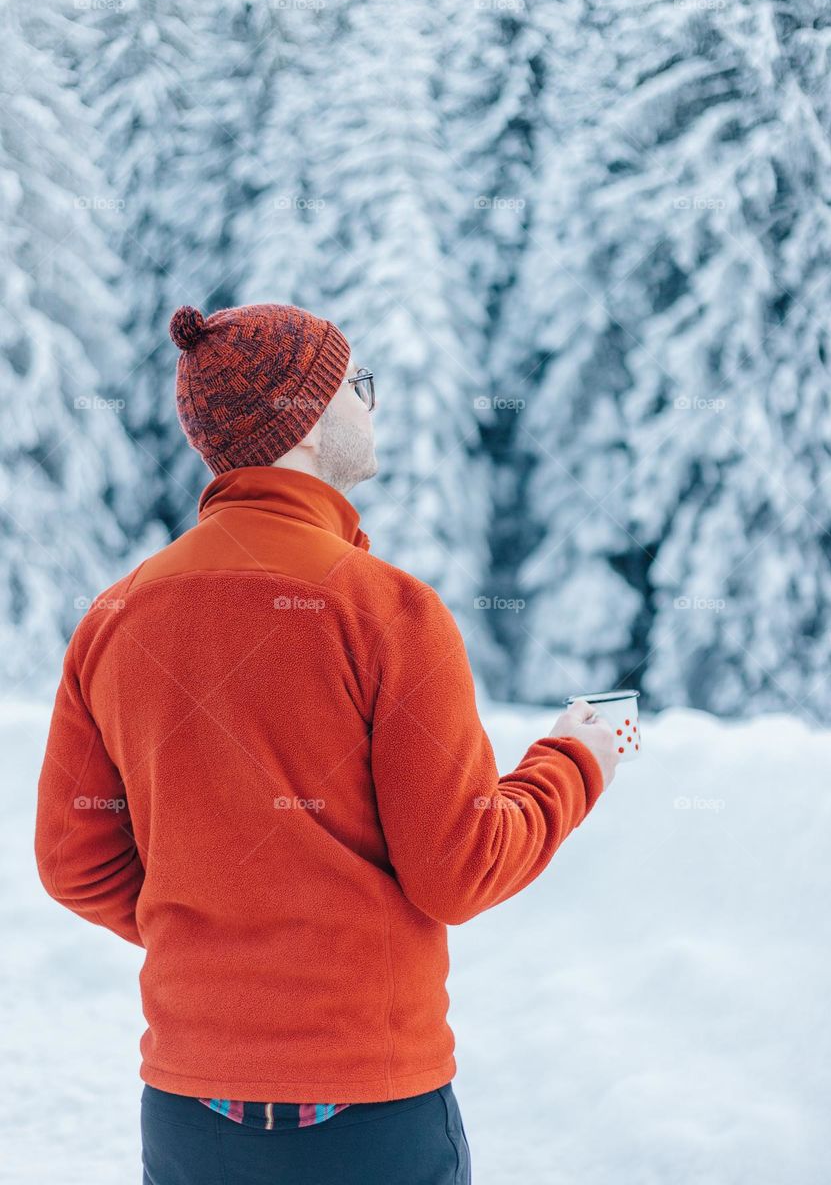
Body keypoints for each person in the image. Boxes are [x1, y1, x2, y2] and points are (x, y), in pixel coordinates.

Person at [34, 302, 620, 1184]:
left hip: (190, 1115)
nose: (369, 404)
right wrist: (579, 757)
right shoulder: (387, 612)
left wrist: (216, 934)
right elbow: (460, 869)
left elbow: (74, 862)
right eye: (356, 384)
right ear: (304, 420)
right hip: (370, 1110)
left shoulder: (115, 617)